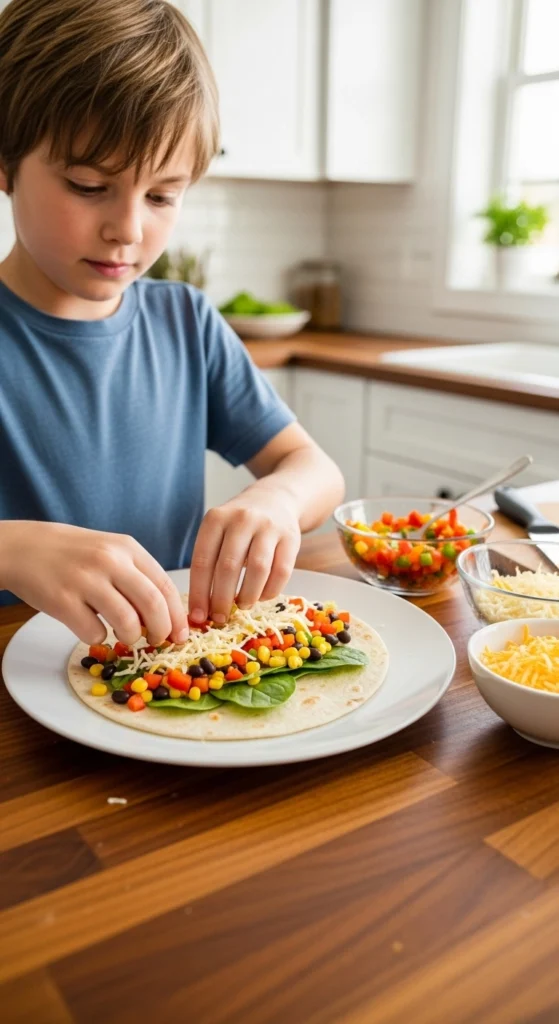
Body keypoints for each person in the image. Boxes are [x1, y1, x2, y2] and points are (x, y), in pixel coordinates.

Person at [0, 0, 344, 649]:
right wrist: (10, 550)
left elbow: (314, 468)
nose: (128, 229)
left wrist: (276, 500)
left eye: (161, 195)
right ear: (6, 162)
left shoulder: (185, 322)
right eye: (88, 185)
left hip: (171, 671)